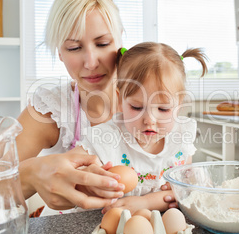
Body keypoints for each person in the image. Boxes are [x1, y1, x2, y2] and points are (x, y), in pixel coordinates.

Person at [57, 42, 208, 215]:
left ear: (178, 106)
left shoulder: (181, 137)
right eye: (137, 107)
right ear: (120, 101)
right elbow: (63, 174)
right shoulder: (106, 139)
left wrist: (146, 202)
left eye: (163, 109)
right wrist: (86, 181)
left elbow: (183, 192)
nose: (149, 120)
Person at [17, 0, 129, 212]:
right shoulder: (52, 110)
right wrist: (31, 174)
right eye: (74, 48)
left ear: (120, 41)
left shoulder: (147, 101)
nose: (90, 62)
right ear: (59, 51)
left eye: (102, 43)